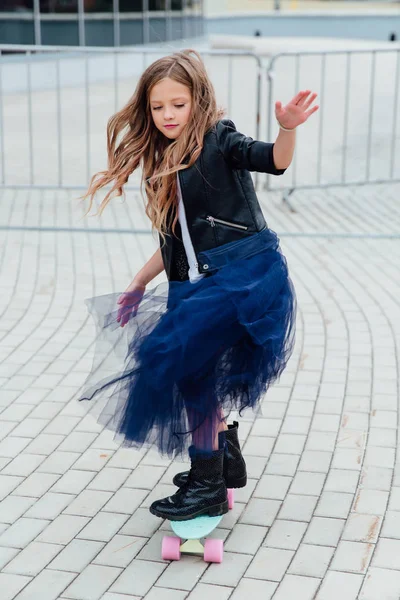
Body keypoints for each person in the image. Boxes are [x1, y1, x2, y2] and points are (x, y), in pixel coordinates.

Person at [78, 49, 318, 521]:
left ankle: (208, 480)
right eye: (157, 107)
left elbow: (272, 160)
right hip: (194, 284)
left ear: (198, 101)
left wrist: (287, 128)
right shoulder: (163, 156)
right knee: (195, 376)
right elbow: (174, 239)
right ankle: (219, 457)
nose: (168, 115)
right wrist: (138, 283)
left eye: (178, 104)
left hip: (241, 276)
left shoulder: (219, 139)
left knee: (175, 363)